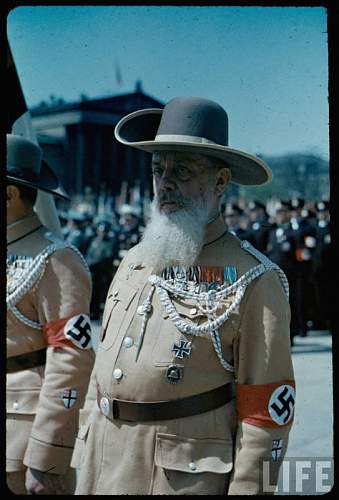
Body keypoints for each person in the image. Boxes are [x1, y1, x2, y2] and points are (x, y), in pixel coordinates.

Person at [74, 96, 295, 495]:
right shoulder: (135, 259)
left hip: (178, 479)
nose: (166, 182)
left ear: (221, 182)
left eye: (183, 170)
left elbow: (265, 415)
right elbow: (101, 372)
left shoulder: (254, 279)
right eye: (159, 169)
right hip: (102, 464)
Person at [6, 134, 95, 495]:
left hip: (20, 441)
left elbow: (70, 360)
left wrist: (47, 456)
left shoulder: (56, 259)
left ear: (10, 195)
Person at [266, 201, 299, 345]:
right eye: (278, 213)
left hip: (290, 275)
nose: (279, 215)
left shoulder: (293, 232)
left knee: (290, 306)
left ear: (288, 214)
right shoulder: (272, 232)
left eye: (282, 212)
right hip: (275, 275)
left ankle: (290, 336)